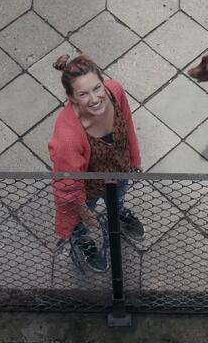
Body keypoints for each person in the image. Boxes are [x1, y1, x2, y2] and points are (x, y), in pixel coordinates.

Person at [48, 53, 145, 273]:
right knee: (81, 224)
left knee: (118, 200)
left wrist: (135, 158)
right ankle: (82, 241)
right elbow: (67, 186)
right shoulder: (67, 136)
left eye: (97, 88)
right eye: (83, 94)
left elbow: (127, 123)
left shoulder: (115, 91)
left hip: (119, 172)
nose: (94, 99)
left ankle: (117, 212)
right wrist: (84, 212)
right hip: (88, 190)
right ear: (72, 97)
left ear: (103, 84)